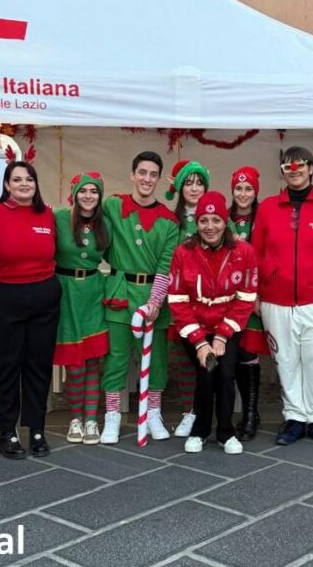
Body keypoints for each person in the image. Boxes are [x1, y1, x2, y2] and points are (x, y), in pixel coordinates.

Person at [252, 146, 313, 447]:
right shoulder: (268, 207)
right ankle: (294, 417)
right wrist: (256, 293)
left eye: (299, 166)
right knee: (286, 360)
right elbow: (255, 253)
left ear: (311, 169)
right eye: (287, 167)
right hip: (275, 300)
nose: (293, 171)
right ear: (282, 171)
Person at [0, 161, 61, 460]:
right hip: (4, 295)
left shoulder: (49, 214)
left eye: (29, 179)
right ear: (6, 185)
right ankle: (7, 432)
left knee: (39, 367)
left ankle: (37, 430)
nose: (24, 184)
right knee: (6, 367)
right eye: (17, 180)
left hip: (45, 296)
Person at [99, 151, 180, 444]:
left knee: (156, 359)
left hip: (153, 297)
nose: (147, 179)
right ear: (132, 175)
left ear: (158, 179)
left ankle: (153, 412)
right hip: (119, 293)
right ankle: (112, 416)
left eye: (153, 174)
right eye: (142, 172)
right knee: (117, 357)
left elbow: (166, 265)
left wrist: (156, 302)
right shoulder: (113, 205)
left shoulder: (169, 221)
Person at [169, 191, 258, 454]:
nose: (210, 227)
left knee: (225, 373)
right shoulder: (183, 252)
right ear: (196, 224)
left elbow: (245, 299)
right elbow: (177, 301)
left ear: (225, 222)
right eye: (204, 220)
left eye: (216, 220)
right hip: (194, 327)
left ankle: (225, 433)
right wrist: (198, 342)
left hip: (227, 327)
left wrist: (222, 335)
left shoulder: (244, 251)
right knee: (206, 373)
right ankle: (200, 431)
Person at [54, 172, 110, 446]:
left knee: (92, 362)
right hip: (65, 292)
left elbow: (117, 259)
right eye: (84, 191)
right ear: (75, 193)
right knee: (74, 365)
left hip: (93, 292)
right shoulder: (59, 218)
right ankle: (74, 417)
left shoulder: (106, 225)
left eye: (94, 191)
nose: (89, 196)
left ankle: (91, 420)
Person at [165, 159, 211, 438]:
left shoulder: (219, 217)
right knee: (183, 359)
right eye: (189, 183)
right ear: (180, 187)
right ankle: (188, 411)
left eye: (199, 182)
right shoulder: (172, 221)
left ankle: (205, 411)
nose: (194, 188)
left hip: (212, 303)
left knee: (207, 360)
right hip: (182, 301)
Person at [230, 165, 264, 440]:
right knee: (234, 352)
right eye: (239, 188)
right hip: (228, 299)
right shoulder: (223, 218)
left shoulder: (264, 218)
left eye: (248, 189)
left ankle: (251, 414)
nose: (243, 194)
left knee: (249, 353)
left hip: (255, 297)